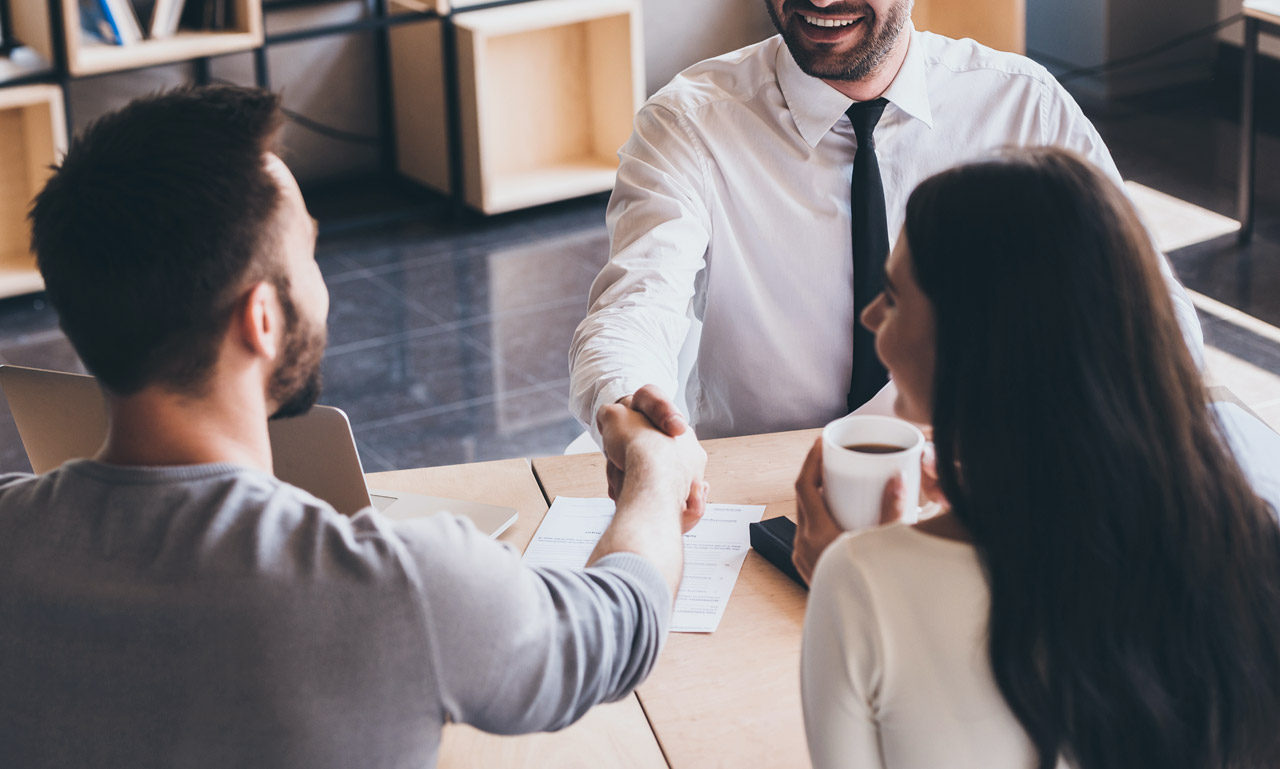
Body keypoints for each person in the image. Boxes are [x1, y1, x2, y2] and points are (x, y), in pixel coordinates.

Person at [0, 85, 707, 769]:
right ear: (263, 319)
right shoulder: (400, 588)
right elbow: (624, 623)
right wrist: (654, 474)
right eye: (307, 251)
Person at [793, 148, 1280, 769]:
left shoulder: (862, 583)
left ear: (975, 342)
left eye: (892, 298)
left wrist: (847, 572)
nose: (869, 316)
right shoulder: (1249, 545)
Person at [568, 0, 1203, 454]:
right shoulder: (689, 122)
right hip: (757, 478)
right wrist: (628, 408)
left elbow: (1148, 313)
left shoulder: (1022, 105)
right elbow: (634, 306)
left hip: (973, 474)